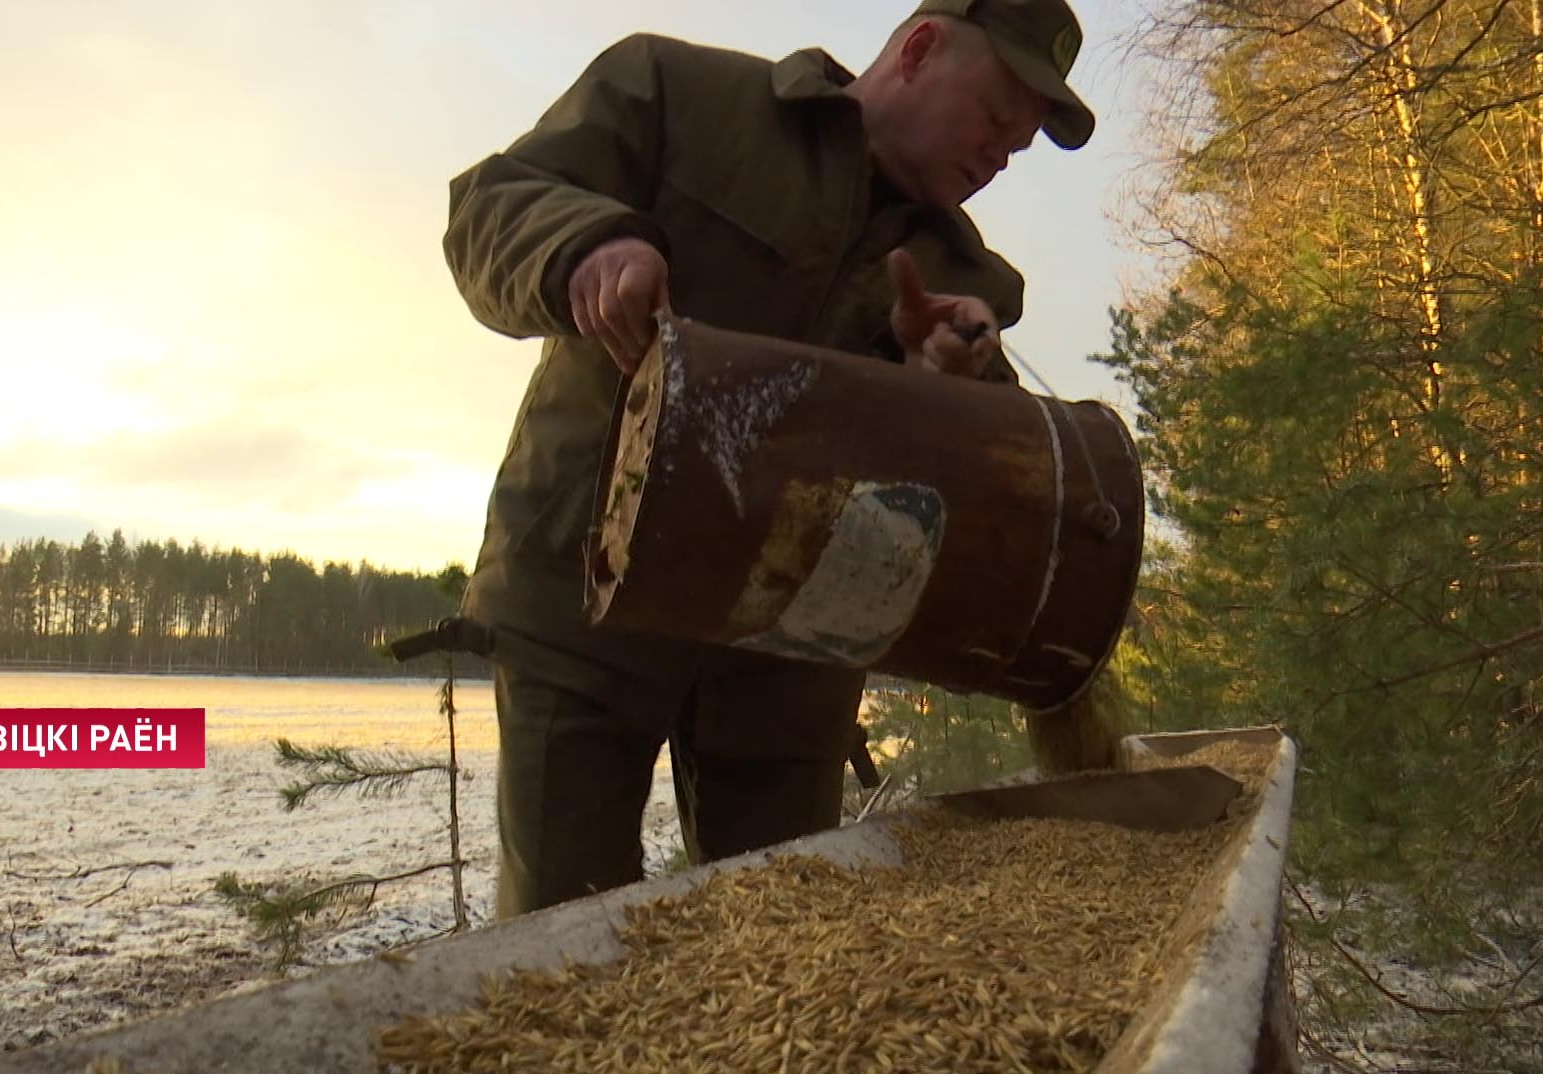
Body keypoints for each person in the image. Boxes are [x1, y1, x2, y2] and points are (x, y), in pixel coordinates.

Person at [443, 0, 1097, 919]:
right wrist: (591, 247)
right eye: (995, 118)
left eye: (1017, 148)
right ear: (918, 50)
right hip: (583, 597)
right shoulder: (677, 93)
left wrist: (939, 387)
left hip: (794, 655)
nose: (999, 156)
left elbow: (981, 502)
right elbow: (489, 207)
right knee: (559, 935)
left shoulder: (973, 284)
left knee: (785, 940)